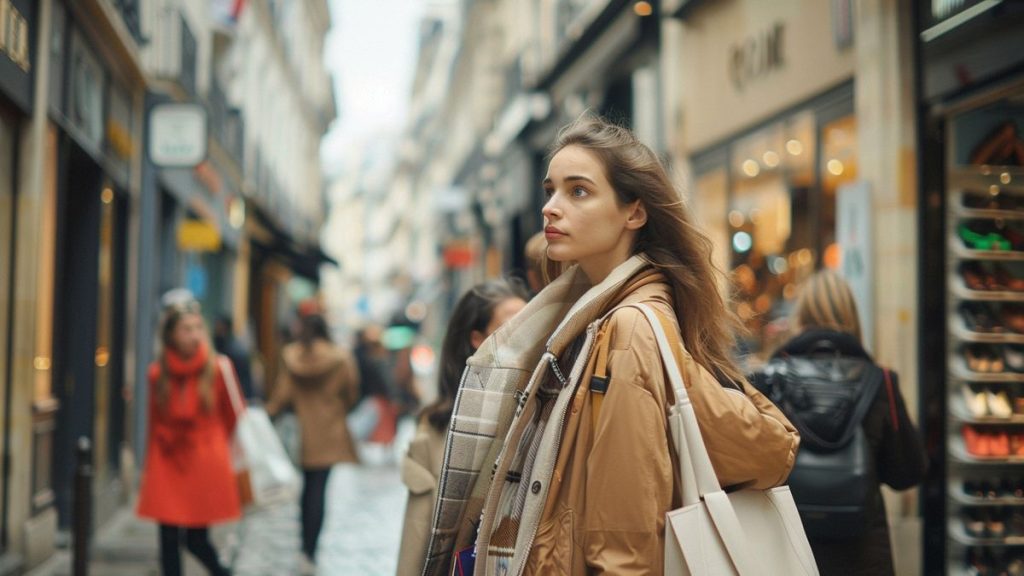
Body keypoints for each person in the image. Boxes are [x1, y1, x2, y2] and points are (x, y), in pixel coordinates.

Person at [435, 115, 799, 575]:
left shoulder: (626, 329)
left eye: (578, 191)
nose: (551, 207)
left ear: (634, 212)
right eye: (550, 190)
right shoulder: (584, 320)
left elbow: (624, 538)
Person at [758, 270, 927, 575]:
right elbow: (907, 473)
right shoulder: (880, 382)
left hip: (789, 551)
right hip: (863, 555)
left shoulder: (771, 380)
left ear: (801, 316)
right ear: (852, 317)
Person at [396, 279, 529, 576]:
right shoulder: (436, 428)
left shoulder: (539, 411)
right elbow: (419, 535)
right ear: (477, 339)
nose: (526, 337)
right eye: (512, 327)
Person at [136, 290, 239, 576]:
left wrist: (220, 453)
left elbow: (234, 418)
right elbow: (154, 420)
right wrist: (149, 467)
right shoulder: (158, 373)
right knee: (167, 538)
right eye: (186, 329)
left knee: (196, 539)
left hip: (203, 461)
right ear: (170, 335)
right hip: (167, 460)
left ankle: (221, 572)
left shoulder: (218, 369)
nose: (194, 335)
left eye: (197, 328)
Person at [264, 312, 360, 567]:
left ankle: (303, 545)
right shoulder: (340, 358)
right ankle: (311, 549)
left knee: (307, 488)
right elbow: (351, 391)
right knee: (320, 488)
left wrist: (269, 413)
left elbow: (283, 393)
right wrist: (338, 409)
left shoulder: (292, 356)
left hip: (302, 430)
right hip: (330, 430)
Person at [213, 314, 256, 402]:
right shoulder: (220, 346)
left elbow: (242, 383)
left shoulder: (235, 352)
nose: (216, 330)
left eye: (219, 328)